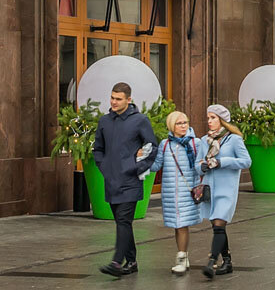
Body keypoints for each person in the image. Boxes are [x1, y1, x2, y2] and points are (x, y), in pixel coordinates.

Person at [93, 82, 158, 277]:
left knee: (123, 220)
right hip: (111, 181)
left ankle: (116, 262)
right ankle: (131, 261)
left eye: (118, 99)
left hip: (130, 181)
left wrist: (136, 168)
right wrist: (104, 167)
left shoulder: (140, 120)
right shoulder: (104, 121)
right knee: (122, 222)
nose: (113, 101)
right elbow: (98, 148)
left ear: (128, 100)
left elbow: (152, 147)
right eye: (112, 97)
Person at [149, 110, 206, 276]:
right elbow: (156, 166)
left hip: (187, 192)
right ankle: (184, 256)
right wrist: (142, 158)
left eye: (185, 122)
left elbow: (199, 166)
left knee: (181, 225)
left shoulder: (195, 143)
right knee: (177, 225)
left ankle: (181, 259)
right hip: (170, 194)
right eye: (179, 123)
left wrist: (203, 166)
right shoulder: (165, 144)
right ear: (171, 126)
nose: (183, 126)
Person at [198, 103, 252, 279]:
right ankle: (227, 261)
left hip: (226, 189)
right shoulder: (204, 141)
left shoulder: (234, 139)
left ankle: (211, 261)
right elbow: (196, 166)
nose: (209, 121)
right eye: (208, 118)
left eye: (213, 118)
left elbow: (246, 161)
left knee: (220, 223)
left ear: (222, 120)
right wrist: (203, 167)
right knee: (217, 226)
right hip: (209, 189)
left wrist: (222, 162)